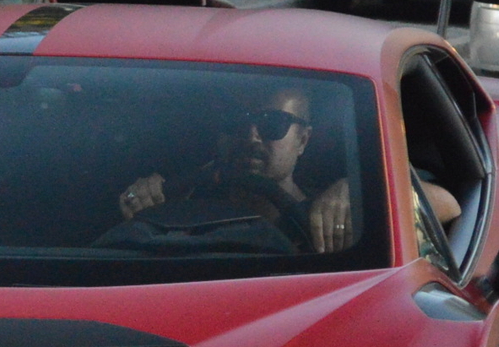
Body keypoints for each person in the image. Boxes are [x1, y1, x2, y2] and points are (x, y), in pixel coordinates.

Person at [110, 85, 354, 252]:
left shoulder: (333, 216)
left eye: (273, 124)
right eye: (236, 122)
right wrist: (141, 201)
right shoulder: (183, 209)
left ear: (303, 140)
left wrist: (357, 192)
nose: (251, 138)